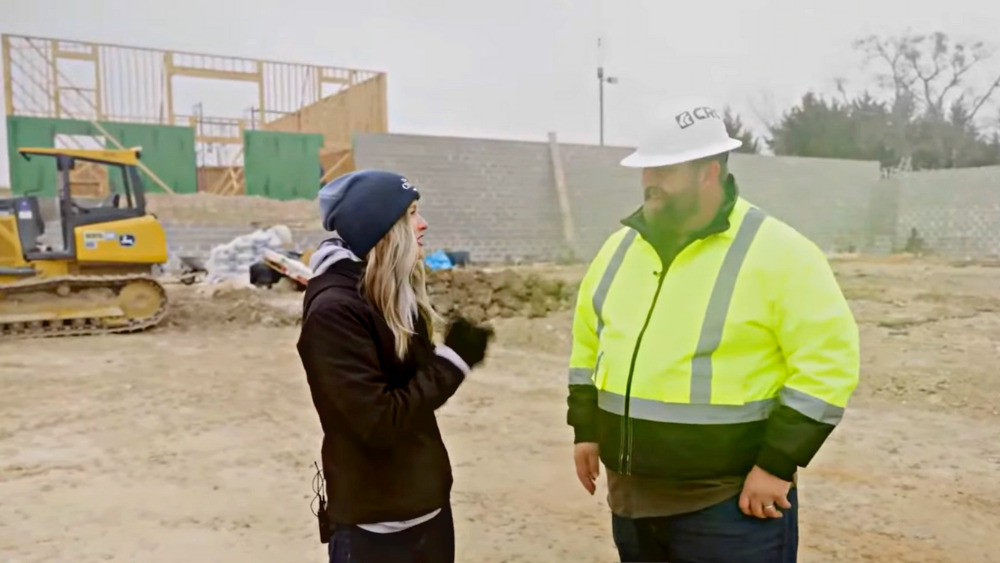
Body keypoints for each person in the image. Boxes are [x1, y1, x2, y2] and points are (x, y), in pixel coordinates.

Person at [566, 99, 860, 562]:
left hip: (728, 506)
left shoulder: (781, 252)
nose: (649, 181)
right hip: (633, 501)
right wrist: (586, 428)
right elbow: (588, 343)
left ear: (709, 171)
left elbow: (827, 364)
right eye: (647, 169)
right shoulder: (619, 249)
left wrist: (777, 464)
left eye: (664, 169)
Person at [297, 169, 494, 563]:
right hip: (377, 531)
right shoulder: (335, 312)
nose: (423, 224)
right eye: (411, 214)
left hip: (425, 511)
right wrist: (452, 362)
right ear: (381, 227)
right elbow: (378, 421)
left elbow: (413, 396)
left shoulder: (392, 294)